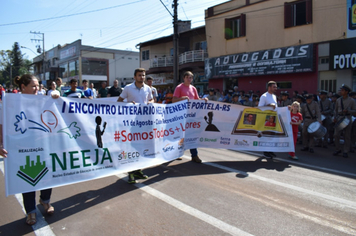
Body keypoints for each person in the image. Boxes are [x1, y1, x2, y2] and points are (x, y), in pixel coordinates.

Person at [0, 74, 59, 225]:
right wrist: (1, 145)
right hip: (22, 148)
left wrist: (55, 94)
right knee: (28, 178)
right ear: (22, 87)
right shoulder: (9, 103)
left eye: (38, 85)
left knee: (47, 173)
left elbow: (55, 98)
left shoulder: (42, 98)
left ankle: (45, 201)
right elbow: (1, 125)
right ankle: (31, 211)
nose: (36, 89)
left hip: (43, 144)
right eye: (33, 86)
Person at [117, 68, 153, 184]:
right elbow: (119, 101)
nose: (142, 77)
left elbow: (151, 99)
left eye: (143, 75)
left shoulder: (148, 88)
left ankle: (138, 170)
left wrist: (150, 103)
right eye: (139, 75)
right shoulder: (128, 88)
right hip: (131, 123)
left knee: (141, 147)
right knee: (131, 147)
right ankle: (130, 173)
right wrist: (128, 104)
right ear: (134, 77)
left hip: (144, 122)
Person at [172, 71, 208, 163]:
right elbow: (173, 100)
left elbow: (197, 100)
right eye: (187, 77)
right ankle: (176, 153)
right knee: (180, 136)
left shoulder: (193, 88)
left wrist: (203, 100)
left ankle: (194, 155)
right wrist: (182, 98)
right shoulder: (179, 87)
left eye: (190, 78)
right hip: (181, 116)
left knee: (192, 135)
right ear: (183, 78)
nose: (189, 79)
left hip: (192, 115)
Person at [333, 84, 356, 158]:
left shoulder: (351, 100)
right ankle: (338, 149)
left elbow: (355, 110)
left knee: (347, 136)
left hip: (347, 118)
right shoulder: (338, 100)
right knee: (336, 134)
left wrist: (348, 111)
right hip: (340, 117)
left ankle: (345, 151)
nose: (341, 91)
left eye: (342, 90)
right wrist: (335, 117)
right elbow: (335, 110)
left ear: (346, 92)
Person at [258, 81, 278, 158]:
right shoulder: (264, 96)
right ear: (269, 87)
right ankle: (265, 151)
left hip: (274, 118)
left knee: (272, 135)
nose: (276, 88)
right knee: (267, 135)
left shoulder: (274, 96)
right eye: (274, 87)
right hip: (266, 119)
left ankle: (270, 150)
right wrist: (268, 105)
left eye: (276, 87)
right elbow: (260, 108)